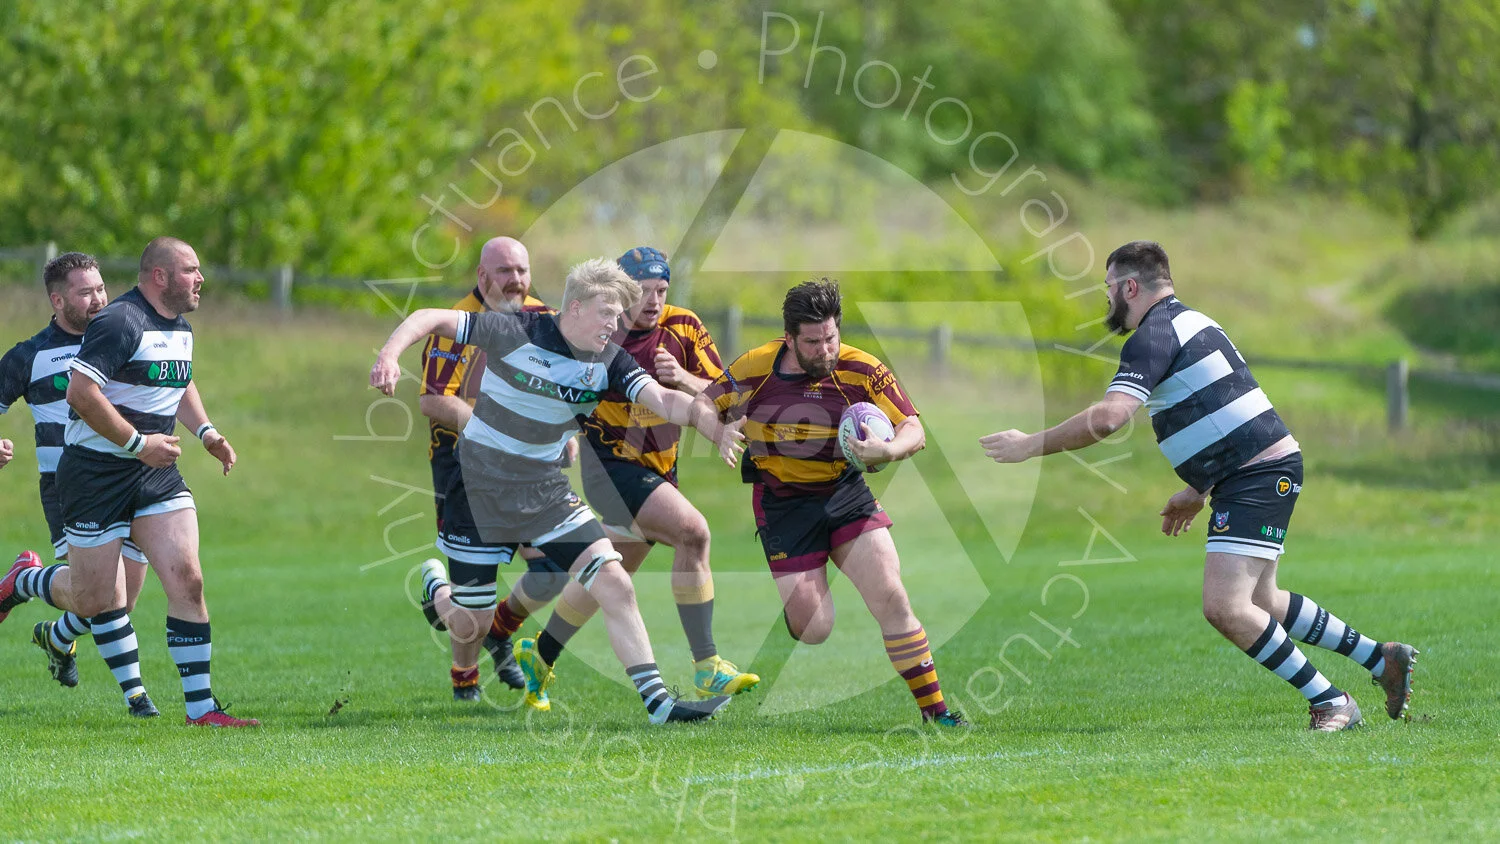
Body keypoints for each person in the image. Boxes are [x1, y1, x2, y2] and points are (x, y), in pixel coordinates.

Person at [979, 240, 1418, 732]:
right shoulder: (1196, 321)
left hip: (1256, 476)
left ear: (1129, 286)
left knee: (1226, 607)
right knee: (1262, 603)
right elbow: (1223, 405)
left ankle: (1332, 701)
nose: (1107, 301)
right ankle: (1382, 660)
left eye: (1108, 289)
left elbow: (1107, 419)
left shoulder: (1153, 334)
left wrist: (1029, 444)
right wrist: (1199, 487)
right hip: (1253, 472)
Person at [371, 257, 743, 724]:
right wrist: (389, 356)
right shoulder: (515, 330)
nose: (615, 324)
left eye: (619, 315)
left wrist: (713, 426)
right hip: (479, 491)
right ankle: (439, 597)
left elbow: (667, 400)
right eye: (608, 313)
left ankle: (659, 704)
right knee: (472, 625)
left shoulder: (610, 360)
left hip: (545, 492)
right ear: (576, 307)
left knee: (615, 582)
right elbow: (430, 318)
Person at [695, 279, 968, 727]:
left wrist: (890, 451)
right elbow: (703, 404)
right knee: (814, 628)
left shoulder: (863, 369)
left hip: (845, 493)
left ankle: (936, 713)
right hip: (783, 502)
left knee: (891, 595)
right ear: (789, 339)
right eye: (812, 342)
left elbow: (914, 428)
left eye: (831, 338)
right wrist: (719, 430)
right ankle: (800, 596)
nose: (824, 350)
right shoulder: (757, 366)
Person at [21, 237, 257, 726]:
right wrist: (137, 444)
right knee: (96, 600)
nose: (201, 279)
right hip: (95, 475)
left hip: (155, 476)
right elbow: (82, 393)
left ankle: (202, 710)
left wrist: (208, 432)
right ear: (160, 277)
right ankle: (25, 580)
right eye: (191, 270)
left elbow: (179, 379)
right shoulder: (118, 322)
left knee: (188, 579)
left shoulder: (181, 328)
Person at [513, 247, 759, 711]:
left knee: (610, 571)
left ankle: (539, 654)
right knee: (694, 532)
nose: (652, 300)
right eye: (643, 292)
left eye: (661, 291)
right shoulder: (602, 332)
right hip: (611, 468)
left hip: (662, 467)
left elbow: (723, 395)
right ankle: (707, 664)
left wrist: (684, 377)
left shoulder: (683, 326)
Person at [408, 235, 570, 701]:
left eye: (521, 270)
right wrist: (496, 430)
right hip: (466, 470)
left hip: (529, 470)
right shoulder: (459, 324)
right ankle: (461, 661)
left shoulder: (542, 318)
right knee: (469, 609)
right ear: (483, 276)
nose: (515, 280)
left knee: (556, 565)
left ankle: (500, 631)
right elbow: (433, 400)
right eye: (504, 271)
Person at [0, 251, 157, 713]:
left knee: (117, 602)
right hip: (70, 486)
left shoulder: (121, 337)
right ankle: (138, 698)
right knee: (105, 596)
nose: (98, 299)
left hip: (133, 478)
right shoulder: (29, 356)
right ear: (57, 299)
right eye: (85, 292)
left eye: (101, 288)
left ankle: (39, 605)